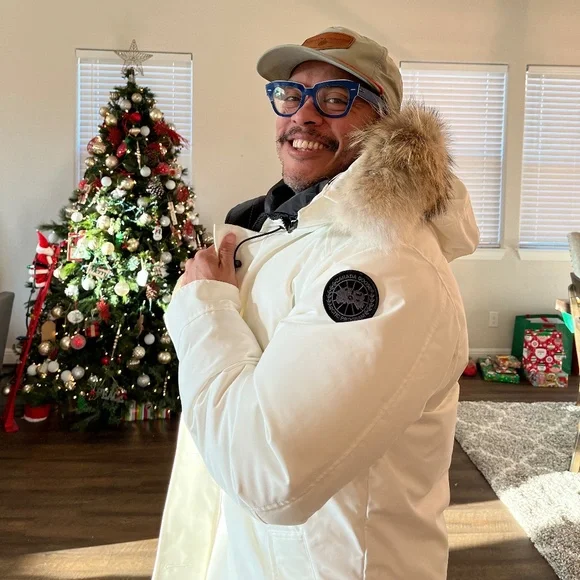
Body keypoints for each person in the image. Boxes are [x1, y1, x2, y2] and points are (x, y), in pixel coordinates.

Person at [153, 26, 479, 580]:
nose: (303, 115)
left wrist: (203, 305)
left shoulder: (388, 266)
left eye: (334, 98)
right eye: (291, 94)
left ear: (384, 124)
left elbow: (270, 478)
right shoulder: (290, 226)